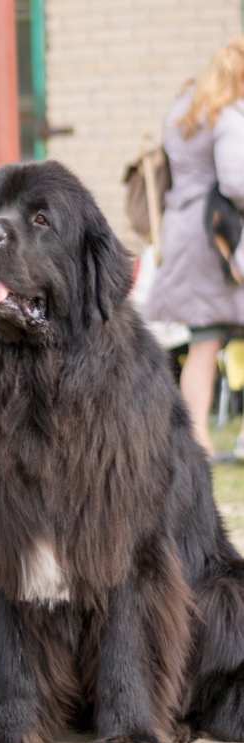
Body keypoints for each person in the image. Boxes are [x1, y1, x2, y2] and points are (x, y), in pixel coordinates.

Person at [145, 37, 244, 461]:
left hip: (183, 228)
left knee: (204, 338)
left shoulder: (182, 112)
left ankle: (198, 439)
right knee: (212, 336)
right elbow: (237, 183)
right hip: (220, 236)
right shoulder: (227, 118)